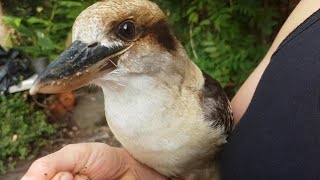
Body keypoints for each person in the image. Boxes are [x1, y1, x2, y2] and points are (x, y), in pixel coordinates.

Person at [22, 0, 320, 179]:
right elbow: (279, 58)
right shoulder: (117, 111)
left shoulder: (204, 107)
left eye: (125, 32)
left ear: (161, 38)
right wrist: (139, 173)